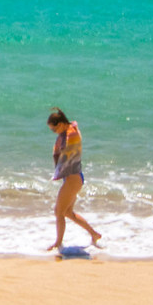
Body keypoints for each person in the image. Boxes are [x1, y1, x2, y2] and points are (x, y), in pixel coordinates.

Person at [46, 107, 104, 254]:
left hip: (73, 179)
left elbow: (65, 149)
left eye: (54, 129)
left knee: (59, 212)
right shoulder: (68, 131)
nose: (54, 133)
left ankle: (58, 244)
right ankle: (94, 234)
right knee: (68, 212)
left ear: (61, 124)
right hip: (74, 178)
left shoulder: (70, 134)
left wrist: (59, 147)